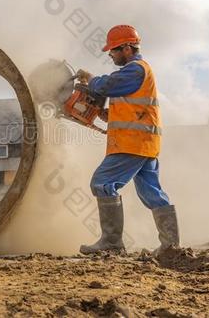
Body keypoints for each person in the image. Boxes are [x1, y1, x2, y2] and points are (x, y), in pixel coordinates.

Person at [76, 24, 179, 255]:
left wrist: (91, 81)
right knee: (152, 193)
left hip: (132, 143)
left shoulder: (135, 70)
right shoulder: (135, 73)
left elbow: (109, 84)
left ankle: (112, 243)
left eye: (113, 50)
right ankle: (171, 246)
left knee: (102, 183)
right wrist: (104, 114)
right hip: (145, 143)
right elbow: (130, 109)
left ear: (127, 48)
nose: (110, 54)